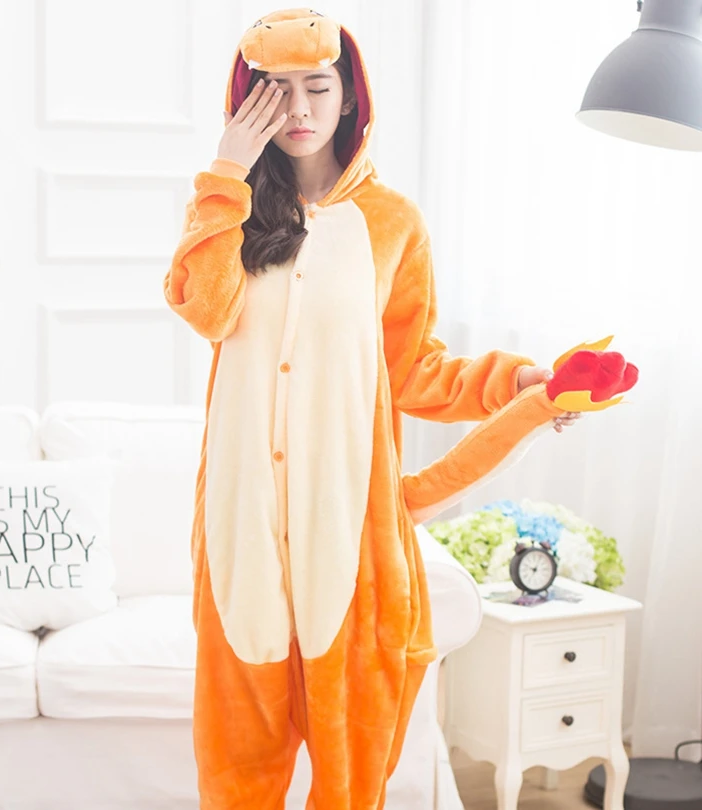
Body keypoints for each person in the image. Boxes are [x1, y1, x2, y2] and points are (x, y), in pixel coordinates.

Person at [163, 8, 579, 808]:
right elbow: (205, 309)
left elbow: (415, 368)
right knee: (236, 770)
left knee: (352, 772)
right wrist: (227, 170)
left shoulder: (392, 224)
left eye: (317, 88)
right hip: (240, 527)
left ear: (350, 95)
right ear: (247, 101)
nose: (298, 110)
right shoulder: (228, 208)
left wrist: (515, 383)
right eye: (276, 91)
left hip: (349, 534)